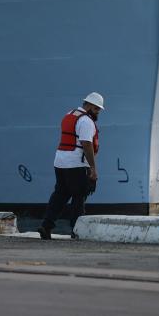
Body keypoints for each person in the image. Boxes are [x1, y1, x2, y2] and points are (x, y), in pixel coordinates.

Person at [37, 92, 104, 240]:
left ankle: (46, 225)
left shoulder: (69, 114)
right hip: (76, 163)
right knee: (79, 195)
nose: (98, 112)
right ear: (91, 106)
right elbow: (87, 144)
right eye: (98, 109)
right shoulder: (86, 121)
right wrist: (93, 168)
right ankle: (76, 230)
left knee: (60, 194)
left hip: (60, 161)